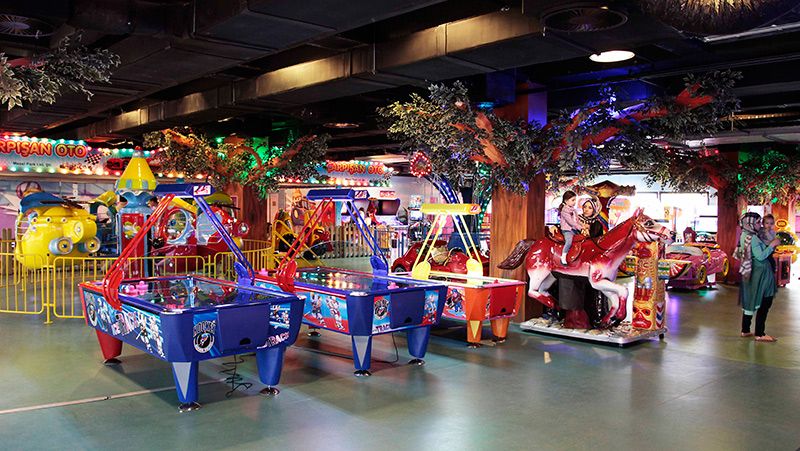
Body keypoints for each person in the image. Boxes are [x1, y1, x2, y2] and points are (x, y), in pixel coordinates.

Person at [737, 212, 780, 342]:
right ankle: (760, 333)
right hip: (760, 273)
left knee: (750, 300)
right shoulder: (753, 238)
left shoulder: (744, 234)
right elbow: (760, 256)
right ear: (749, 223)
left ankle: (745, 330)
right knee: (765, 301)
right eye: (757, 222)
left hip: (749, 271)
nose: (759, 225)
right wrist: (772, 245)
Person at [558, 190, 580, 265]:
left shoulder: (574, 210)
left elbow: (577, 220)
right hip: (567, 230)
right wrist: (579, 228)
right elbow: (570, 222)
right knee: (569, 241)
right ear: (566, 201)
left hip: (574, 229)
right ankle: (563, 256)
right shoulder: (564, 210)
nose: (574, 202)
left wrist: (582, 226)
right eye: (573, 200)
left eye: (575, 200)